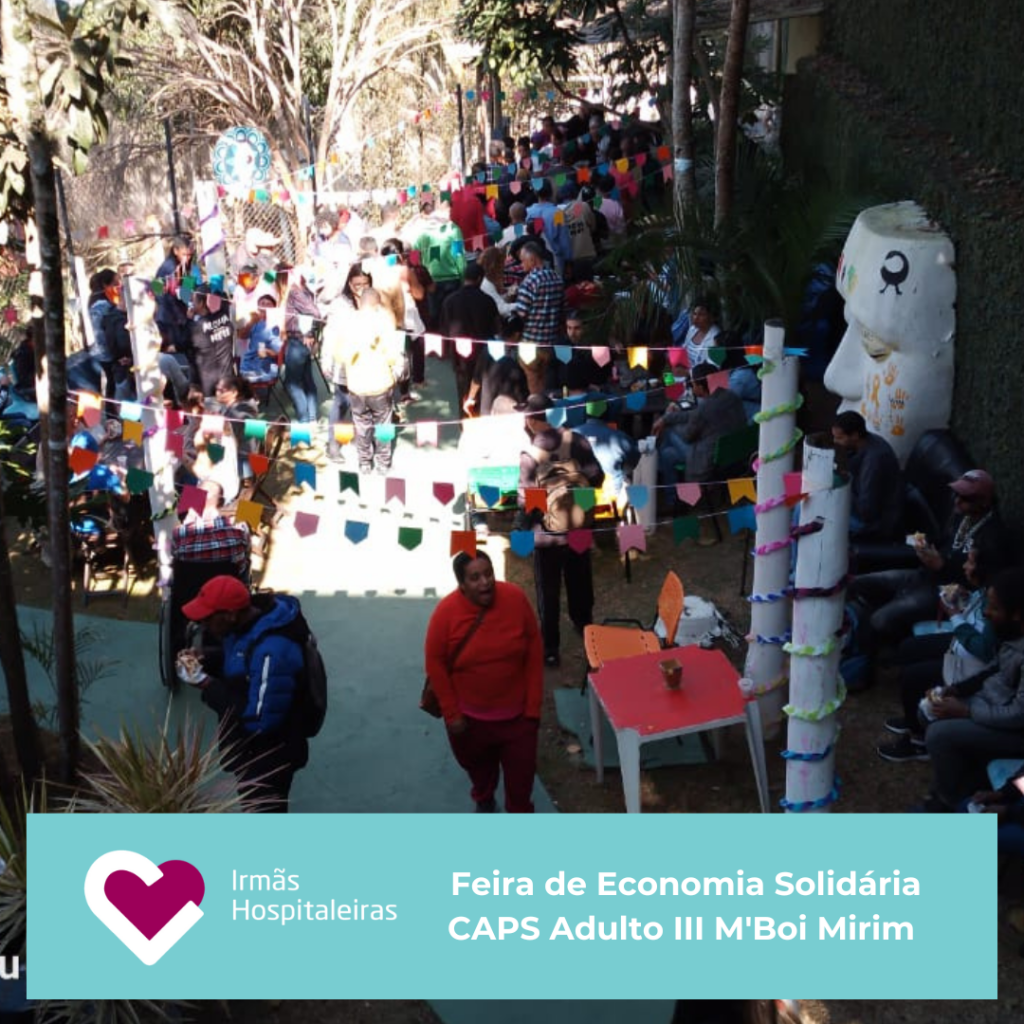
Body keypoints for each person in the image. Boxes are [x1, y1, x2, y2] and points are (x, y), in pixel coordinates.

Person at [424, 551, 543, 813]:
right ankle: (484, 798)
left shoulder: (515, 598)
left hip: (518, 719)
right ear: (462, 585)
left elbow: (534, 651)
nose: (485, 582)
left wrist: (533, 708)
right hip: (470, 722)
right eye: (475, 577)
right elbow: (435, 663)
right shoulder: (445, 613)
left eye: (488, 574)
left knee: (521, 784)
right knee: (480, 772)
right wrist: (452, 714)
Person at [178, 576, 309, 812]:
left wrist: (205, 683)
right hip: (253, 749)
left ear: (230, 615)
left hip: (268, 755)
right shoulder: (249, 625)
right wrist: (205, 657)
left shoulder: (272, 652)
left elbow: (259, 720)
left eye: (208, 618)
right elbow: (241, 656)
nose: (203, 624)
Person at [852, 468, 1007, 652]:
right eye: (956, 494)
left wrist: (942, 566)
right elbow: (946, 543)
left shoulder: (993, 537)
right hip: (925, 575)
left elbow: (977, 586)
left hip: (948, 592)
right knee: (857, 583)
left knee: (880, 619)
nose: (957, 501)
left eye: (965, 498)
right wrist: (924, 544)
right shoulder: (963, 516)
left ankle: (885, 656)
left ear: (984, 502)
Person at [877, 542, 999, 761]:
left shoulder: (996, 602)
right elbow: (974, 616)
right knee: (909, 649)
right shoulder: (984, 590)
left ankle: (919, 741)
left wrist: (954, 615)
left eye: (971, 563)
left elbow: (984, 648)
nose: (965, 566)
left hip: (973, 662)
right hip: (961, 647)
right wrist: (964, 599)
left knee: (914, 676)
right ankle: (915, 716)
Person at [921, 567, 1024, 811]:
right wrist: (956, 690)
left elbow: (1019, 715)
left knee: (939, 734)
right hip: (994, 706)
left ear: (1017, 615)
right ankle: (968, 779)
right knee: (929, 710)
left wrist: (966, 712)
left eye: (994, 608)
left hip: (1016, 731)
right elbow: (994, 668)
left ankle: (950, 801)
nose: (986, 613)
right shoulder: (1012, 636)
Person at [518, 393, 605, 667]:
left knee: (548, 591)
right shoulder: (576, 440)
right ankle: (586, 628)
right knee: (581, 582)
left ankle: (551, 649)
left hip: (547, 535)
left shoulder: (530, 454)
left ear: (531, 420)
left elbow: (526, 501)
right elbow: (597, 477)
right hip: (580, 527)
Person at [332, 288, 402, 474]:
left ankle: (364, 462)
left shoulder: (348, 323)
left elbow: (339, 355)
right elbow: (393, 356)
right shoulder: (383, 323)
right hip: (380, 383)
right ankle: (383, 463)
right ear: (377, 304)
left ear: (360, 302)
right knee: (383, 424)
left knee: (361, 425)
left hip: (356, 385)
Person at [654, 362, 746, 486]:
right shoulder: (730, 396)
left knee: (669, 433)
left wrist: (668, 422)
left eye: (693, 384)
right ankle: (662, 476)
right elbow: (693, 415)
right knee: (668, 454)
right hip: (730, 452)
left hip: (707, 458)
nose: (691, 387)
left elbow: (688, 435)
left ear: (701, 387)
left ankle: (654, 466)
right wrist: (668, 418)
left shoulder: (705, 408)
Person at [831, 410, 903, 541]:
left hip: (874, 525)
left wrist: (839, 486)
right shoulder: (866, 442)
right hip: (865, 509)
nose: (835, 442)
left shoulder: (873, 461)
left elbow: (867, 511)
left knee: (815, 515)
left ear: (855, 435)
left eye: (840, 438)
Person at [439, 262, 501, 405]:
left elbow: (444, 330)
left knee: (463, 391)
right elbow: (496, 328)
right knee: (484, 393)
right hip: (482, 354)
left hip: (459, 356)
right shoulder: (487, 301)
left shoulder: (449, 301)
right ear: (479, 279)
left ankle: (465, 417)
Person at [171, 479, 251, 574]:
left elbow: (174, 558)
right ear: (221, 502)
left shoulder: (179, 534)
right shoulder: (239, 527)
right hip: (232, 581)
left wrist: (187, 523)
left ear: (195, 500)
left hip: (194, 582)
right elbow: (247, 553)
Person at [282, 265, 321, 424]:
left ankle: (304, 418)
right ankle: (311, 417)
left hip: (298, 340)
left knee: (291, 383)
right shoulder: (302, 291)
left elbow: (315, 313)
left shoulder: (296, 291)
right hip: (300, 341)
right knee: (306, 379)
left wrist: (309, 332)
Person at [214, 375, 262, 487]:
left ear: (234, 392)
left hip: (243, 465)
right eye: (216, 389)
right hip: (251, 457)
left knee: (198, 468)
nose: (217, 393)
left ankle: (194, 497)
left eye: (221, 391)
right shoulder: (247, 404)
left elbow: (225, 446)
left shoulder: (236, 415)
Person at [188, 286, 235, 397]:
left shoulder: (197, 327)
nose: (192, 304)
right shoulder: (225, 317)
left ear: (201, 303)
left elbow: (186, 346)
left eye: (193, 301)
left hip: (209, 385)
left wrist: (189, 321)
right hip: (228, 378)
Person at [526, 179, 572, 276]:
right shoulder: (557, 213)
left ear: (535, 193)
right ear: (551, 192)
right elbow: (563, 240)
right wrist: (568, 260)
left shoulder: (528, 212)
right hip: (556, 261)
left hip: (532, 261)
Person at [671, 300, 722, 372]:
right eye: (695, 314)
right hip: (683, 371)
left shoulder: (718, 337)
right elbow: (684, 349)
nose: (696, 318)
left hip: (700, 377)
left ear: (711, 317)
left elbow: (715, 367)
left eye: (701, 315)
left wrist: (688, 373)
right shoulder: (692, 329)